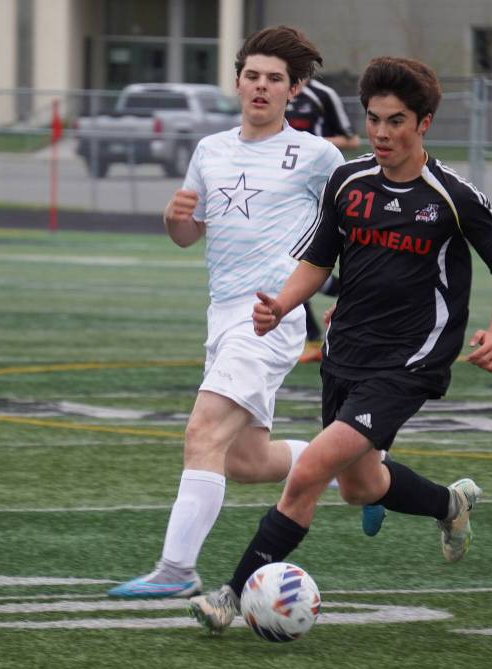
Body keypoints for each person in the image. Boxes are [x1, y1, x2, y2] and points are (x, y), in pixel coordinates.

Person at [188, 56, 492, 633]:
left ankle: (229, 594)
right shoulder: (348, 182)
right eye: (373, 119)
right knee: (361, 485)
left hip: (411, 359)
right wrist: (283, 306)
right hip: (346, 353)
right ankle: (451, 504)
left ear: (425, 123)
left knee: (311, 469)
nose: (382, 133)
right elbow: (317, 261)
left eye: (396, 121)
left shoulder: (451, 195)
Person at [107, 26, 345, 599]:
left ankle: (175, 570)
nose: (261, 87)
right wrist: (174, 219)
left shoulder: (317, 155)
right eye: (253, 76)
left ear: (296, 90)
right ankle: (348, 458)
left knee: (202, 431)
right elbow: (189, 236)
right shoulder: (210, 150)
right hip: (223, 314)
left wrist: (345, 300)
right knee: (244, 459)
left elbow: (352, 232)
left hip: (270, 315)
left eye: (275, 80)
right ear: (237, 81)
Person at [286, 78, 359, 364]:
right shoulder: (278, 92)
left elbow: (351, 138)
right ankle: (312, 337)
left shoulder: (322, 95)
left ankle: (361, 295)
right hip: (288, 195)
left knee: (299, 262)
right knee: (289, 262)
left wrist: (312, 145)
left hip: (320, 192)